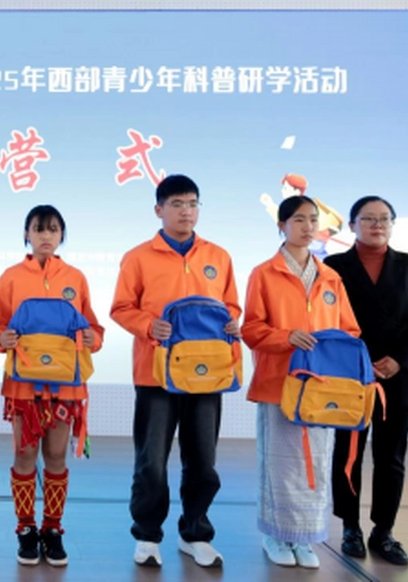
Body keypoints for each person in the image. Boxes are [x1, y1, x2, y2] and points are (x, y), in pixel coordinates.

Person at [110, 174, 241, 569]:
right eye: (178, 204)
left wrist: (233, 322)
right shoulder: (138, 257)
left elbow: (231, 306)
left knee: (202, 460)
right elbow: (121, 308)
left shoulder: (218, 256)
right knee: (151, 461)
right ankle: (147, 535)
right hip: (155, 375)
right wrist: (149, 325)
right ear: (159, 209)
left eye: (193, 204)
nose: (187, 212)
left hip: (208, 373)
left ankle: (195, 533)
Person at [242, 195, 361, 570]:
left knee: (317, 464)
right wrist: (286, 337)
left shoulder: (331, 277)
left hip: (322, 390)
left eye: (312, 219)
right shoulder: (264, 274)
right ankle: (275, 535)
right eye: (298, 219)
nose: (308, 226)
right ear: (281, 226)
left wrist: (333, 350)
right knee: (279, 464)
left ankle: (306, 538)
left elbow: (350, 329)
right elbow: (251, 329)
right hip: (279, 384)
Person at [324, 196, 408, 566]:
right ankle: (350, 527)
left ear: (392, 224)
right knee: (348, 453)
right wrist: (356, 362)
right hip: (350, 374)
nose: (377, 225)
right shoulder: (333, 266)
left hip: (400, 375)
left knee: (391, 455)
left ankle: (383, 531)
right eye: (368, 218)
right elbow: (326, 319)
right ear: (352, 225)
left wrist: (399, 360)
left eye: (384, 218)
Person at [0, 205, 104, 567]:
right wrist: (0, 338)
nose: (45, 236)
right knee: (24, 455)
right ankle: (25, 528)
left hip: (65, 385)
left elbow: (93, 328)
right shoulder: (11, 277)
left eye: (53, 229)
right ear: (26, 234)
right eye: (38, 229)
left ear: (61, 236)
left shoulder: (76, 277)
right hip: (23, 386)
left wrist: (93, 337)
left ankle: (53, 529)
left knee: (56, 456)